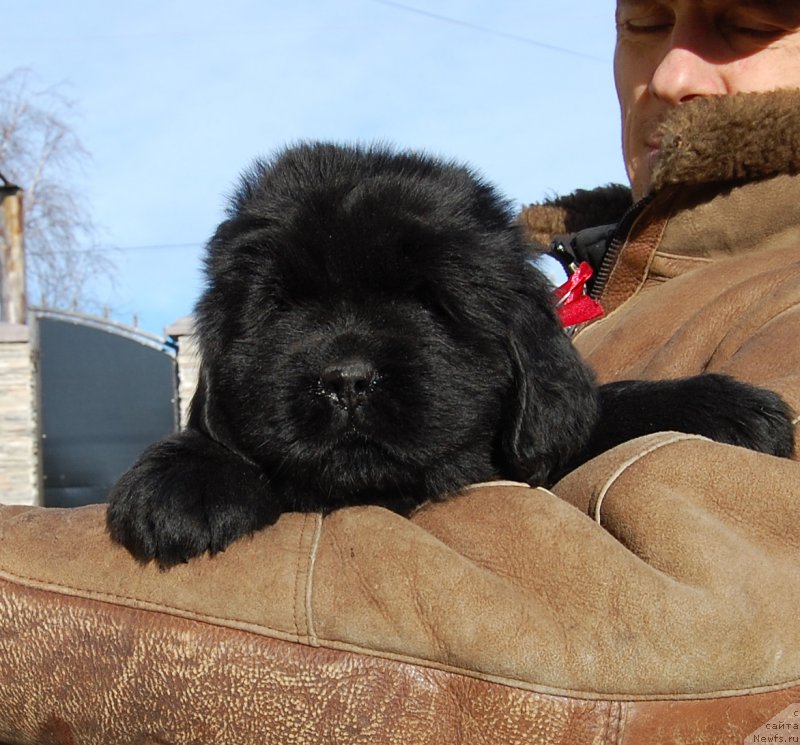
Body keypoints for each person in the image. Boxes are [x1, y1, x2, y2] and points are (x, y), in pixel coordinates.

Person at [1, 3, 799, 742]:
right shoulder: (565, 261)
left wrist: (605, 413)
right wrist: (210, 454)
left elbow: (676, 630)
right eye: (646, 22)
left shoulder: (774, 292)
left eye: (742, 22)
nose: (672, 73)